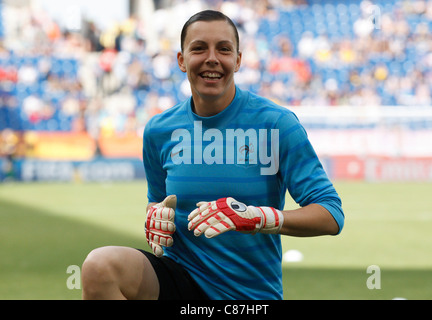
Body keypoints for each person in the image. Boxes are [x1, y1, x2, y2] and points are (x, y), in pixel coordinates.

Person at [81, 10, 344, 300]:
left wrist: (258, 217)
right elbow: (157, 202)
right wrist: (155, 217)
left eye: (223, 49)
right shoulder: (159, 130)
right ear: (181, 60)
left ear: (238, 60)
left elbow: (331, 214)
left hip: (249, 295)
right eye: (198, 48)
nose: (211, 58)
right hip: (179, 277)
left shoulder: (277, 124)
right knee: (99, 266)